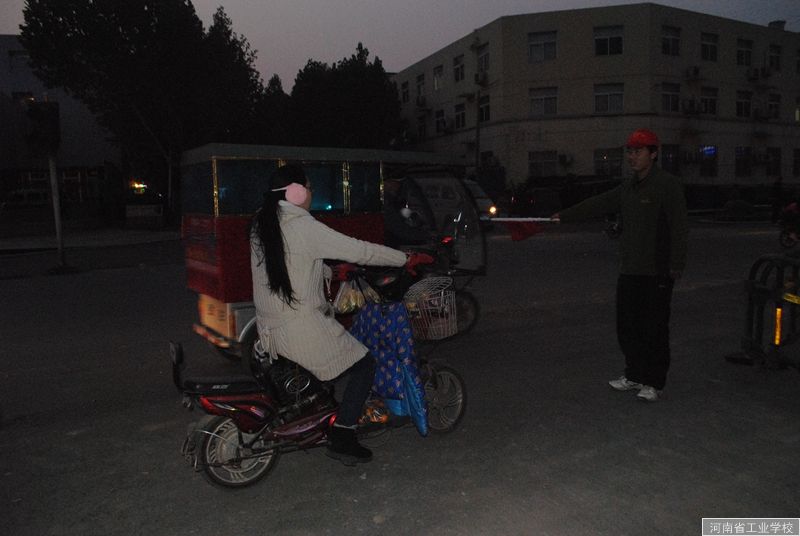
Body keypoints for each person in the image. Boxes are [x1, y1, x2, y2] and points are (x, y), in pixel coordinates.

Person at [250, 163, 429, 464]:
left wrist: (331, 272)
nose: (311, 193)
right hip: (300, 326)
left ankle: (318, 418)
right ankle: (344, 434)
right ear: (295, 193)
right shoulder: (301, 225)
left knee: (326, 370)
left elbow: (288, 265)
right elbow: (359, 250)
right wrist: (404, 258)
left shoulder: (262, 223)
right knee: (364, 365)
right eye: (309, 187)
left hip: (270, 327)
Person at [552, 128, 689, 402]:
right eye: (630, 151)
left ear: (653, 154)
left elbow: (679, 227)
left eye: (638, 151)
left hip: (657, 271)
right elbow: (599, 203)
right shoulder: (628, 187)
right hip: (630, 269)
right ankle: (634, 374)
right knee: (627, 326)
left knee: (654, 328)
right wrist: (564, 216)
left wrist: (676, 263)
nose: (632, 157)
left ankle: (654, 382)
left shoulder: (667, 185)